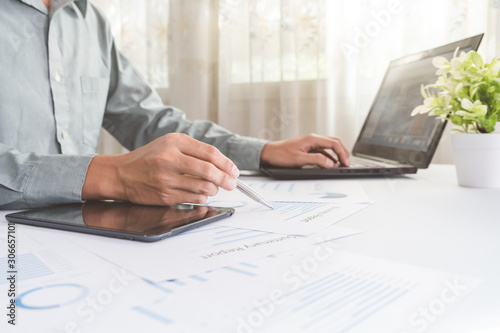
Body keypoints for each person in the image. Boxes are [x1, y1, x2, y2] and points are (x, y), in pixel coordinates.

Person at [0, 0, 349, 210]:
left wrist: (262, 150)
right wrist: (115, 175)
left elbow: (152, 122)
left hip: (83, 231)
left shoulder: (90, 22)